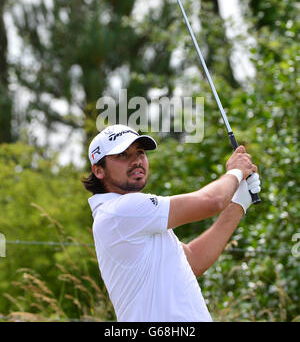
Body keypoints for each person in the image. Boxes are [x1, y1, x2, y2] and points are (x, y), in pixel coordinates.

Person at [82, 124, 261, 322]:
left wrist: (238, 204)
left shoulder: (134, 216)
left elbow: (194, 260)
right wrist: (235, 173)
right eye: (123, 155)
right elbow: (213, 201)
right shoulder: (120, 211)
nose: (136, 161)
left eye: (140, 152)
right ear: (99, 170)